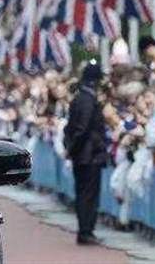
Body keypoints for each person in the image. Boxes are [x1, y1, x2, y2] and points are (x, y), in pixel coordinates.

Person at [63, 60, 108, 246]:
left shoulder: (79, 97)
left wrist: (70, 148)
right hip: (88, 155)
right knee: (88, 194)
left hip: (82, 154)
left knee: (83, 193)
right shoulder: (87, 99)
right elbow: (82, 128)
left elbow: (70, 128)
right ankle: (86, 230)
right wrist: (72, 148)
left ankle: (86, 229)